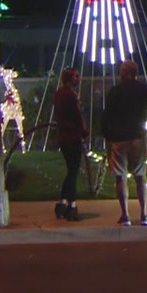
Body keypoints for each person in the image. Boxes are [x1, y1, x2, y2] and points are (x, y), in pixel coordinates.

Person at [101, 60, 147, 226]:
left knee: (120, 176)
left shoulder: (115, 92)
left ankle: (125, 215)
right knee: (140, 176)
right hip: (137, 135)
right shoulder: (144, 90)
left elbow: (107, 114)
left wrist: (107, 134)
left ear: (124, 73)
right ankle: (144, 214)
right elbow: (145, 109)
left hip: (118, 138)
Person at [53, 67, 87, 222]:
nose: (79, 79)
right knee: (73, 172)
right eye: (76, 76)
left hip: (63, 137)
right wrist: (83, 131)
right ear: (69, 79)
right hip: (72, 137)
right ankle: (71, 206)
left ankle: (62, 203)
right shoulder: (70, 96)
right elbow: (76, 116)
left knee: (71, 170)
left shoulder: (59, 94)